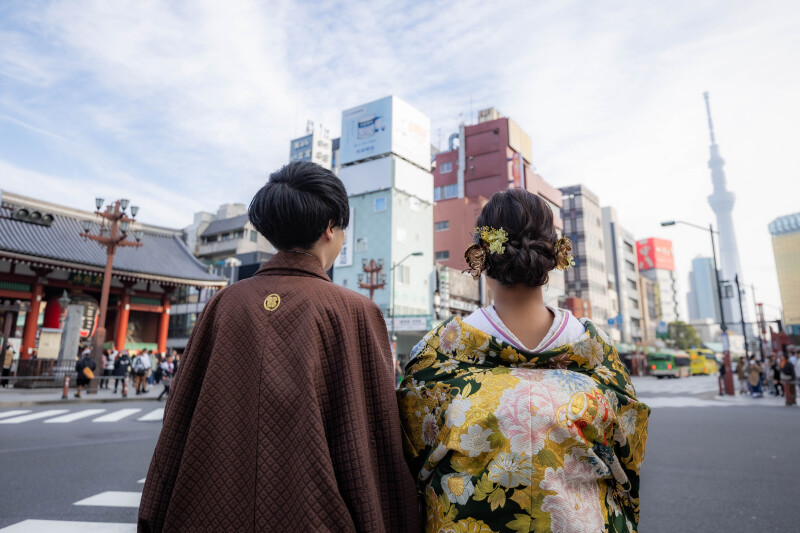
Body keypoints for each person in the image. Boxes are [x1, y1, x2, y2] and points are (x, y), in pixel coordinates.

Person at [139, 161, 419, 532]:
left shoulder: (223, 304)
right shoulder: (354, 310)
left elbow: (179, 416)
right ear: (330, 228)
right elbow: (373, 434)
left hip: (208, 514)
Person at [398, 189, 650, 533]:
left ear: (481, 254)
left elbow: (413, 459)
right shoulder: (597, 353)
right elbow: (627, 459)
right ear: (554, 254)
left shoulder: (439, 353)